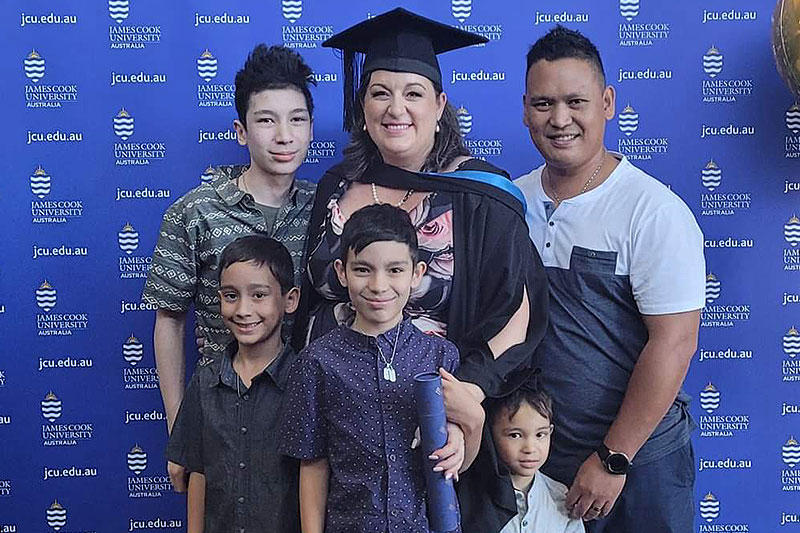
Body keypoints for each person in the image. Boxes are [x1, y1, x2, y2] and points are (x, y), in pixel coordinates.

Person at [294, 9, 550, 528]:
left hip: (434, 424)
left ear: (439, 105)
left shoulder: (482, 196)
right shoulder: (336, 186)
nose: (396, 109)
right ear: (362, 105)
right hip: (339, 429)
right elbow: (312, 297)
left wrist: (466, 399)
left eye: (413, 93)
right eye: (379, 93)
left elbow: (517, 310)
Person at [515, 26, 705, 532]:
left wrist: (613, 458)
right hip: (543, 465)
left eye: (575, 102)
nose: (559, 119)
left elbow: (675, 343)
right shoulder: (511, 202)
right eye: (543, 104)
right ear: (525, 110)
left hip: (638, 466)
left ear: (607, 103)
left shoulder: (653, 211)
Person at [142, 44, 316, 490]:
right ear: (241, 131)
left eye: (297, 119)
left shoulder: (326, 208)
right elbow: (169, 320)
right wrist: (180, 431)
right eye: (266, 120)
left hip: (309, 421)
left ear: (311, 128)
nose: (284, 135)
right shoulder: (194, 212)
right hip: (223, 420)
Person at [280, 204, 463, 532]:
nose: (379, 286)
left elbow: (457, 453)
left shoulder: (440, 357)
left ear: (417, 273)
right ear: (341, 271)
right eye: (363, 269)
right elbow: (313, 464)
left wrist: (461, 434)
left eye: (395, 270)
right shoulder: (317, 362)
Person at [166, 235, 302, 533]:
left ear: (290, 300)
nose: (243, 310)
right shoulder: (205, 381)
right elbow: (198, 472)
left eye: (258, 295)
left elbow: (314, 477)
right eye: (231, 296)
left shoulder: (304, 382)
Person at [488, 375, 584, 533]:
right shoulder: (477, 497)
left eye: (540, 435)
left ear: (550, 432)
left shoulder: (561, 498)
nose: (530, 448)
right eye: (515, 435)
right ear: (491, 434)